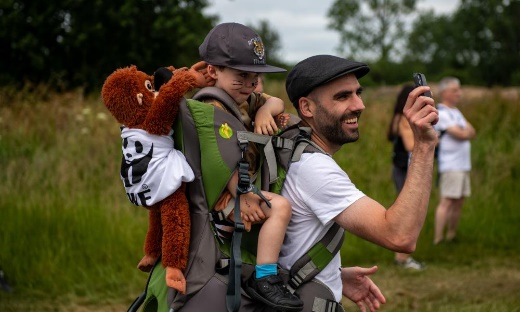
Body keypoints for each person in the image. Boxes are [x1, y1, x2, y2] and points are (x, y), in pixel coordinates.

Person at [278, 54, 438, 310]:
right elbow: (400, 236)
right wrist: (424, 145)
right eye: (342, 96)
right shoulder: (314, 169)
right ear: (306, 108)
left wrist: (330, 275)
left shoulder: (293, 151)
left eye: (358, 93)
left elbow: (289, 244)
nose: (359, 105)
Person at [197, 22, 303, 310]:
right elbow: (215, 156)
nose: (250, 84)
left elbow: (277, 101)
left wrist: (265, 112)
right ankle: (265, 278)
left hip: (242, 189)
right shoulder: (210, 106)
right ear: (213, 71)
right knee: (280, 207)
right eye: (241, 75)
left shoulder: (246, 99)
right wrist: (243, 195)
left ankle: (264, 273)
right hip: (226, 196)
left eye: (255, 76)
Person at [433, 77, 476, 245]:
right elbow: (463, 134)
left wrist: (465, 132)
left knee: (459, 201)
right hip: (451, 165)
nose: (459, 93)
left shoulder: (456, 112)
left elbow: (472, 131)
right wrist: (465, 132)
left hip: (463, 165)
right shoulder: (442, 113)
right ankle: (438, 239)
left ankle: (451, 235)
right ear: (445, 93)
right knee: (447, 201)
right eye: (455, 90)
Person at [387, 85, 425, 270]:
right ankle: (402, 258)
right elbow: (410, 145)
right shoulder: (403, 119)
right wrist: (429, 137)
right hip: (404, 169)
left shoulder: (396, 117)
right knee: (408, 213)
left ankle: (401, 257)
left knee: (406, 211)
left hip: (400, 167)